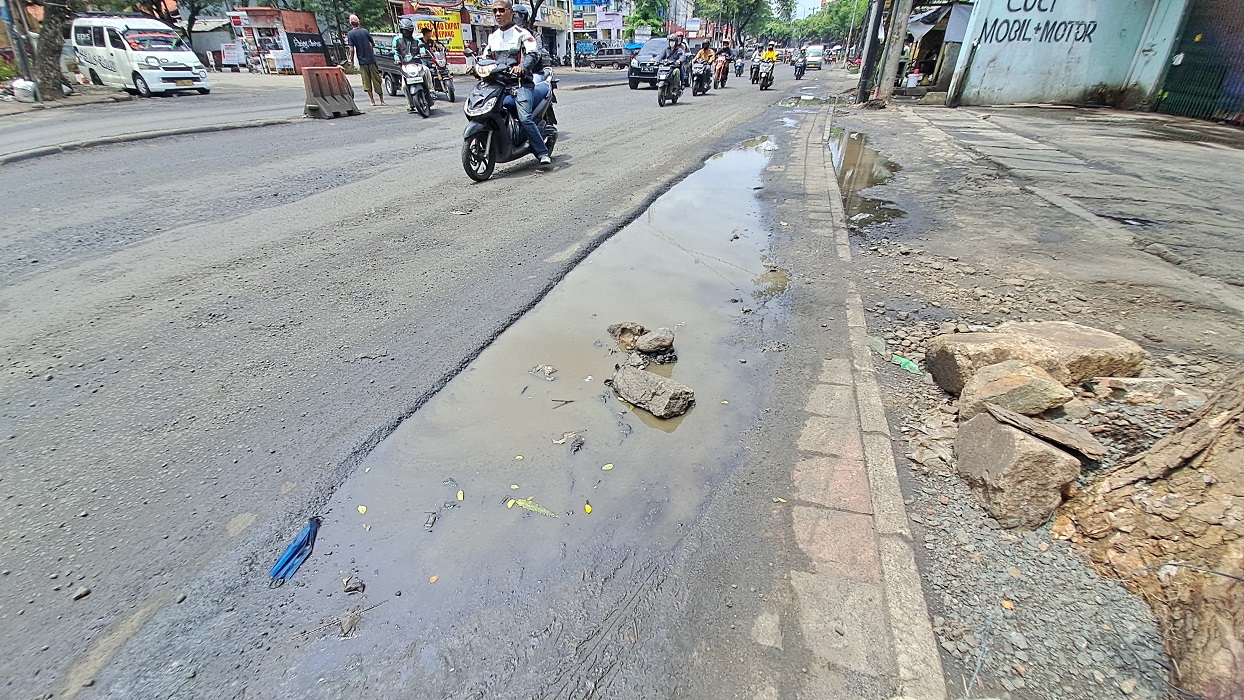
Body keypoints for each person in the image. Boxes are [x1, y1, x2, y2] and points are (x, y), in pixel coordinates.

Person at [483, 0, 552, 165]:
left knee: (525, 118)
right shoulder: (493, 37)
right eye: (495, 11)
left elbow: (532, 54)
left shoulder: (522, 34)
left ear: (510, 12)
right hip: (499, 85)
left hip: (521, 84)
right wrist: (476, 67)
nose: (498, 14)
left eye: (501, 10)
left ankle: (542, 152)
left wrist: (522, 66)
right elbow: (485, 58)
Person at [346, 14, 386, 106]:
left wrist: (351, 61)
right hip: (371, 60)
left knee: (366, 82)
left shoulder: (351, 34)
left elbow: (351, 49)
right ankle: (382, 100)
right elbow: (372, 44)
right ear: (358, 22)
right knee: (376, 80)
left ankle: (372, 101)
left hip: (362, 61)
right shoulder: (365, 31)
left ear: (351, 23)